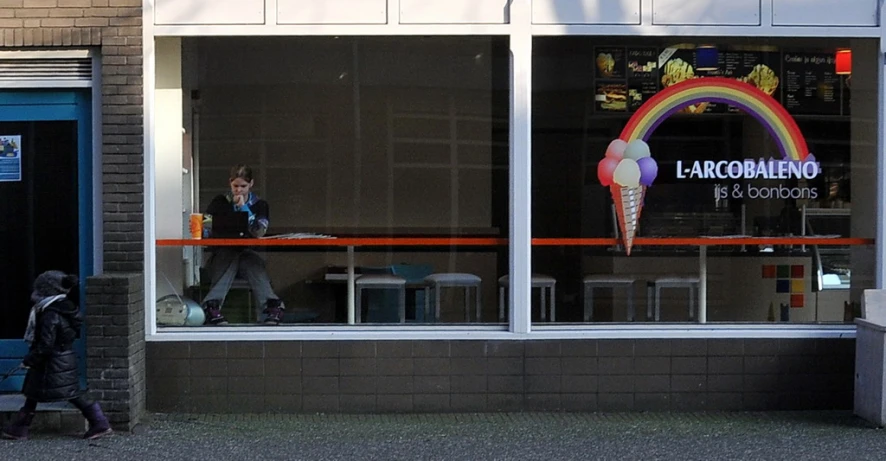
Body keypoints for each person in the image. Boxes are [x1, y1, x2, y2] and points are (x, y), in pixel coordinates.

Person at [1, 270, 112, 441]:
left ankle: (99, 423)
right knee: (37, 394)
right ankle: (19, 428)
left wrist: (31, 359)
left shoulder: (49, 313)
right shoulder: (65, 308)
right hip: (61, 359)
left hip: (51, 362)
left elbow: (46, 344)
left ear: (45, 290)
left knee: (69, 394)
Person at [201, 164, 286, 325]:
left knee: (247, 259)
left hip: (248, 253)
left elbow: (259, 231)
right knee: (232, 254)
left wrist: (244, 209)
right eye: (235, 186)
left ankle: (212, 305)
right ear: (230, 183)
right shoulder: (220, 202)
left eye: (243, 186)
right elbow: (206, 227)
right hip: (223, 253)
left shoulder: (260, 205)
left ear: (251, 184)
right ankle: (272, 305)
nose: (239, 190)